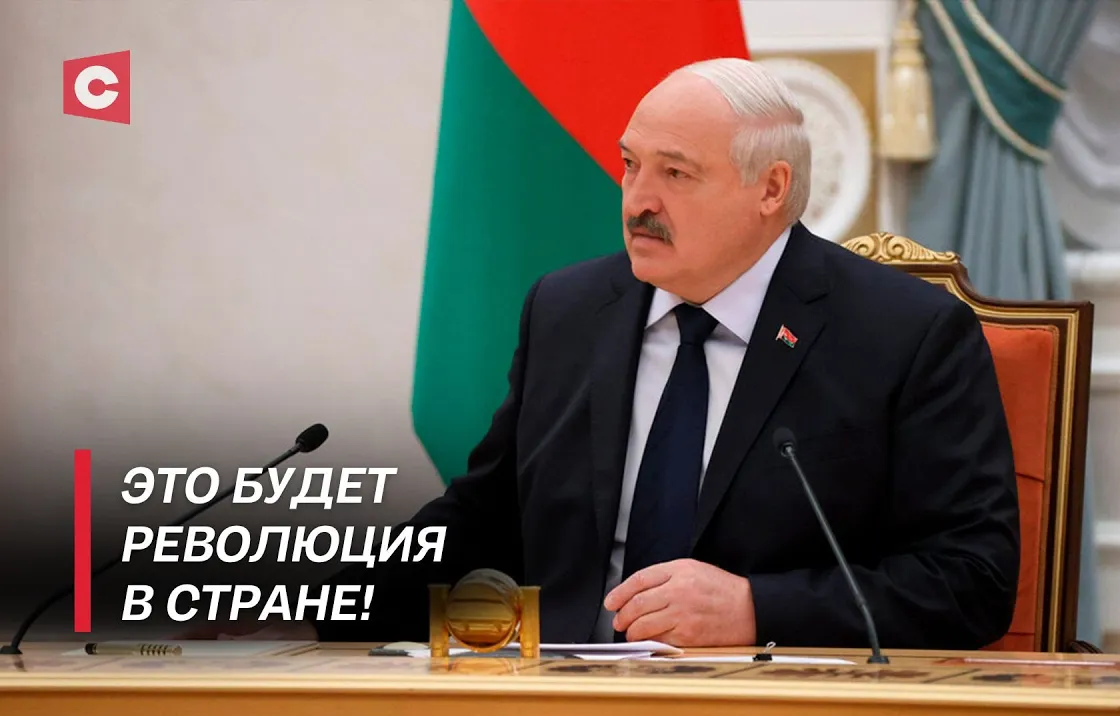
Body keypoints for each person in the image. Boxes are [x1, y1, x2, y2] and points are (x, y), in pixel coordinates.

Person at [211, 58, 1019, 649]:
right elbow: (482, 523)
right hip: (559, 694)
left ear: (771, 189)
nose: (638, 201)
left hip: (772, 699)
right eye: (631, 165)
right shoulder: (569, 311)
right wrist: (311, 609)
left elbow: (970, 578)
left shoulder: (902, 333)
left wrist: (756, 608)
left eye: (676, 174)